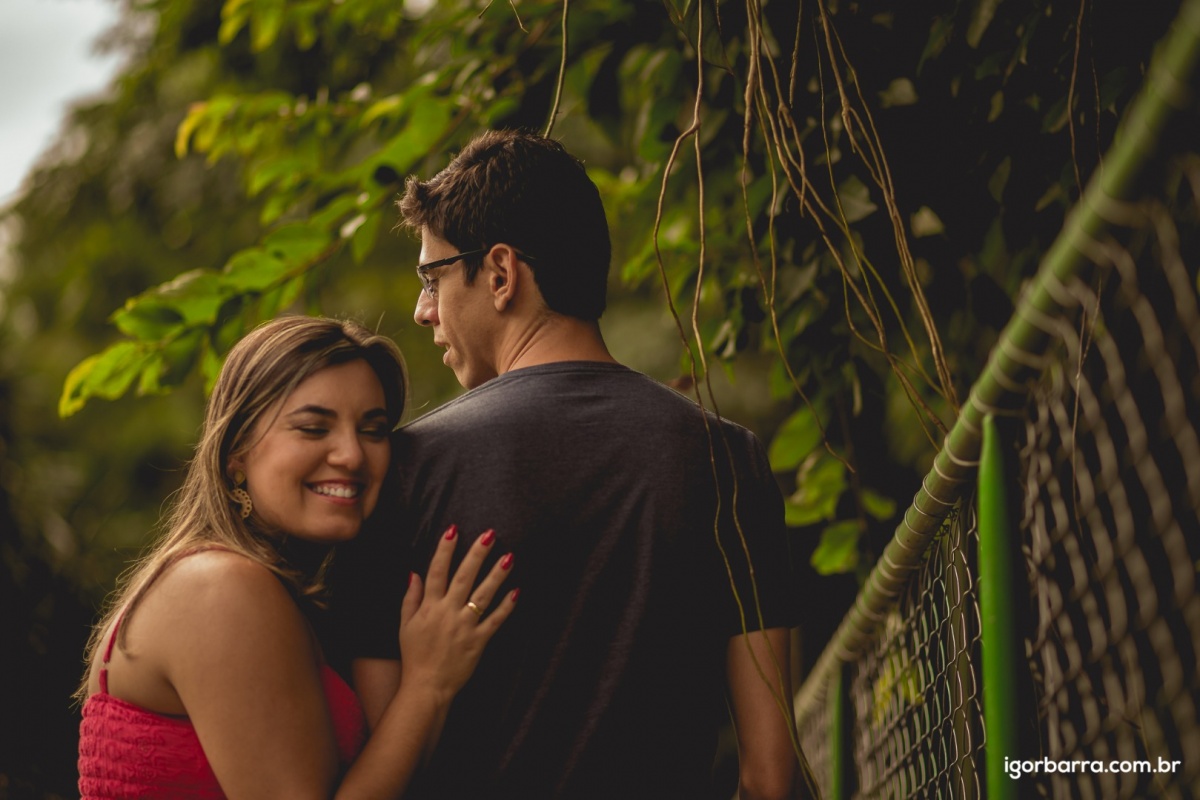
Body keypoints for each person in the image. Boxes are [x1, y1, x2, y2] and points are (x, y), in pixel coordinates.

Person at [333, 130, 816, 799]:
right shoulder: (727, 458)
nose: (422, 310)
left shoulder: (407, 470)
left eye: (432, 277)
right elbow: (770, 776)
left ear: (501, 274)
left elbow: (387, 771)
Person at [75, 315, 518, 799]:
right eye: (312, 428)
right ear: (236, 452)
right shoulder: (219, 588)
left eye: (373, 430)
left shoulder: (268, 588)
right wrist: (429, 683)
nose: (352, 455)